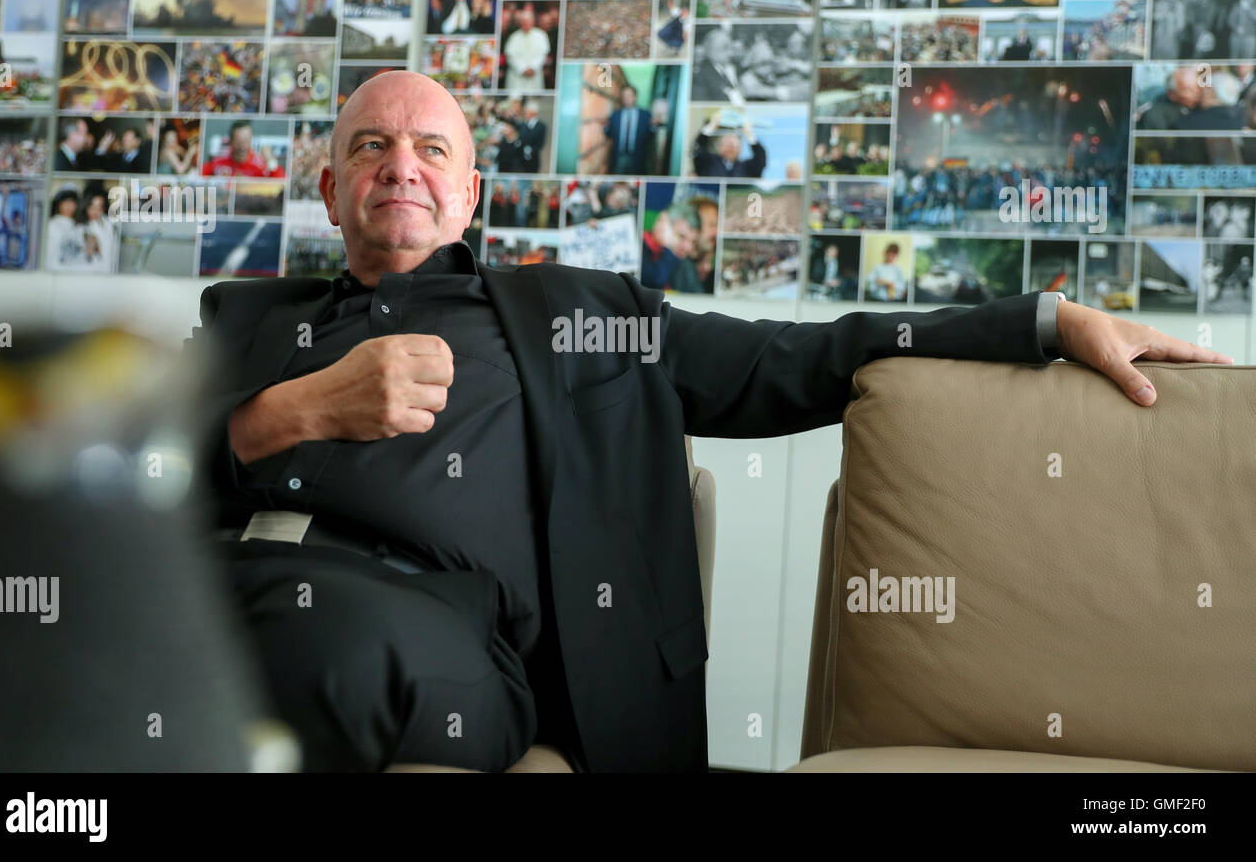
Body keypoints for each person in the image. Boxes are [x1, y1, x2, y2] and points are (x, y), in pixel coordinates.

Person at [183, 70, 1231, 774]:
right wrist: (285, 413)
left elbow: (804, 359)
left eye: (428, 147)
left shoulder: (576, 318)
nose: (399, 163)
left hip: (421, 623)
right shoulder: (240, 324)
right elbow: (117, 472)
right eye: (370, 146)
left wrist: (1042, 321)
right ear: (329, 189)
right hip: (206, 576)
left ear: (467, 197)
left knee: (323, 644)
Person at [692, 114, 766, 178]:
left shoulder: (746, 167)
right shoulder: (709, 162)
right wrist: (710, 128)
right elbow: (698, 149)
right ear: (720, 147)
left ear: (739, 149)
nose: (731, 144)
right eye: (728, 142)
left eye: (734, 143)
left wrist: (750, 135)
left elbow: (760, 160)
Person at [202, 121, 285, 177]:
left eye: (246, 141)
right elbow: (198, 178)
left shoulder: (261, 165)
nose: (242, 147)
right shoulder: (218, 162)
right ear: (230, 141)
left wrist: (270, 160)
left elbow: (282, 183)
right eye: (238, 142)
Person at [603, 85, 652, 175]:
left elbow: (649, 137)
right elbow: (610, 135)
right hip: (619, 156)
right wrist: (606, 127)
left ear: (635, 97)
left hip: (637, 157)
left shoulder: (645, 115)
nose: (626, 99)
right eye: (624, 96)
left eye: (629, 96)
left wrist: (653, 127)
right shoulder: (615, 115)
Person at [502, 9, 550, 93]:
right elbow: (510, 57)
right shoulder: (514, 37)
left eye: (528, 21)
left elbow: (542, 55)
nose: (526, 24)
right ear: (520, 23)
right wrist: (523, 69)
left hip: (534, 76)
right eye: (524, 22)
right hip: (517, 78)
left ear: (533, 22)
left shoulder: (541, 35)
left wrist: (533, 68)